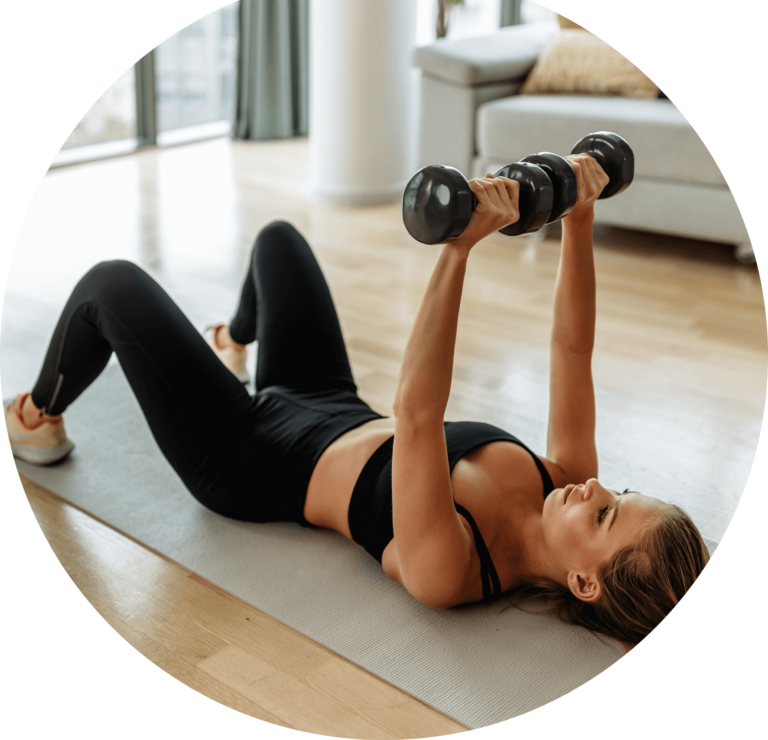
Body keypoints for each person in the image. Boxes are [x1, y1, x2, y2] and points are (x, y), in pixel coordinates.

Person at [5, 154, 709, 651]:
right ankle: (234, 342)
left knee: (111, 286)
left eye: (607, 513)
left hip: (247, 455)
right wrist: (579, 221)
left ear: (585, 582)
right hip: (326, 401)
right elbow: (572, 352)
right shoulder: (563, 480)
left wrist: (459, 251)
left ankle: (37, 416)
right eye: (617, 490)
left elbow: (417, 416)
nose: (593, 485)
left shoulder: (453, 571)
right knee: (279, 240)